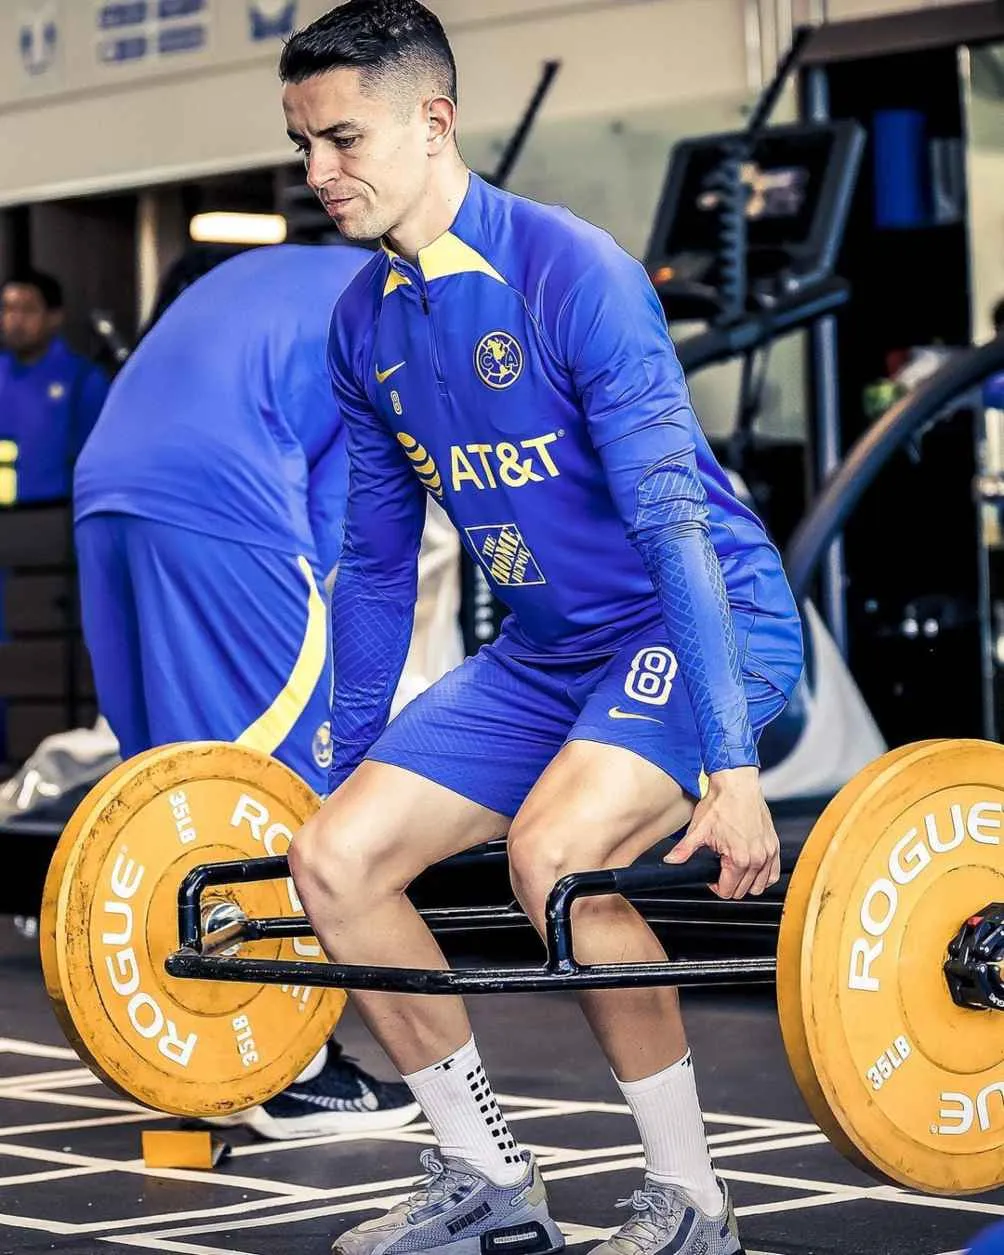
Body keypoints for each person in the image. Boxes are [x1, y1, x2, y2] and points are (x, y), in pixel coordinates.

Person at [280, 4, 804, 1255]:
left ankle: (690, 1200)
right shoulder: (364, 322)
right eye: (300, 146)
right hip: (549, 648)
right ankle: (484, 1179)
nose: (316, 174)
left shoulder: (573, 272)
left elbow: (674, 524)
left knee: (553, 858)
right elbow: (371, 563)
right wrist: (351, 759)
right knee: (334, 861)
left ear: (432, 122)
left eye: (341, 139)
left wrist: (729, 775)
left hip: (701, 621)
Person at [73, 242, 424, 1140]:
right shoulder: (395, 319)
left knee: (174, 791)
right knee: (279, 794)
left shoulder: (297, 274)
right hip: (225, 500)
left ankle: (196, 1046)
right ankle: (293, 1071)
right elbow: (348, 537)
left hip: (105, 489)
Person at [0, 270, 109, 503]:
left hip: (53, 517)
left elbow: (99, 463)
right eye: (8, 309)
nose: (15, 320)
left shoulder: (83, 379)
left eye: (27, 310)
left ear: (54, 317)